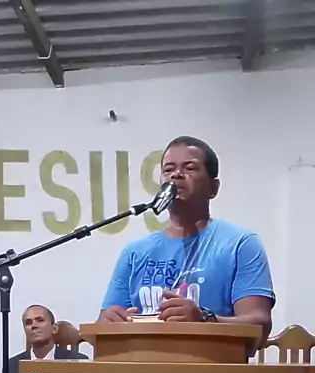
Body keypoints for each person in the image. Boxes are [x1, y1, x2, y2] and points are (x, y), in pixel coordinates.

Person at [99, 136, 275, 340]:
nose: (176, 174)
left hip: (211, 359)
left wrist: (204, 320)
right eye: (168, 169)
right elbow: (100, 329)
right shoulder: (135, 252)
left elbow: (259, 325)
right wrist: (110, 322)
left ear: (213, 188)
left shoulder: (240, 244)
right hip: (141, 357)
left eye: (189, 168)